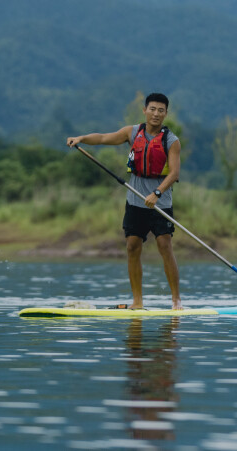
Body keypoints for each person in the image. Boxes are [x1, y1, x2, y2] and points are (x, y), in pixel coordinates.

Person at [67, 93, 182, 310]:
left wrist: (156, 193)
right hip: (135, 200)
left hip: (160, 202)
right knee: (132, 247)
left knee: (165, 246)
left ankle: (176, 301)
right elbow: (102, 138)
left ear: (166, 114)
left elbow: (174, 173)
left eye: (161, 110)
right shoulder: (132, 132)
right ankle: (137, 301)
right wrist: (81, 139)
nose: (156, 114)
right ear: (145, 110)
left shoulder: (171, 141)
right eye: (153, 109)